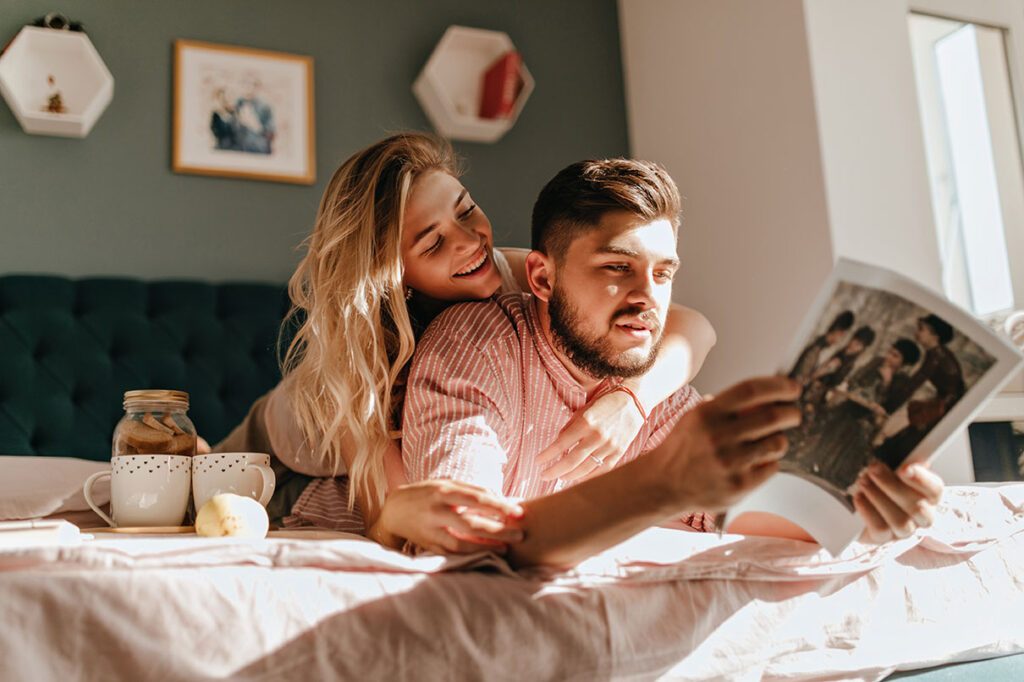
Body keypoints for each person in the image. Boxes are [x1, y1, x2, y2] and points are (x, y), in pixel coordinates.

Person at [401, 158, 945, 568]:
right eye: (618, 267)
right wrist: (666, 481)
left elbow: (738, 517)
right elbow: (463, 538)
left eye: (663, 274)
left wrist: (854, 515)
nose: (648, 298)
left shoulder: (655, 390)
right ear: (541, 278)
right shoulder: (477, 340)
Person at [212, 132, 718, 554]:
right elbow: (395, 516)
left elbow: (694, 327)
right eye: (431, 242)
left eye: (466, 209)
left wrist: (632, 400)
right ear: (393, 277)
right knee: (189, 496)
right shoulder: (359, 360)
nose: (468, 240)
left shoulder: (506, 270)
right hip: (279, 458)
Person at [807, 338, 922, 494]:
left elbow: (888, 406)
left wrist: (886, 381)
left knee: (855, 433)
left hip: (868, 417)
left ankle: (835, 475)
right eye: (890, 352)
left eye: (895, 356)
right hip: (851, 405)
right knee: (835, 424)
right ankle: (817, 465)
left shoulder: (902, 380)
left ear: (903, 363)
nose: (889, 357)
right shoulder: (876, 362)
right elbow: (856, 380)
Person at [876, 314, 966, 468]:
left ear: (934, 335)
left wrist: (886, 407)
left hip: (946, 407)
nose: (917, 332)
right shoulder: (935, 353)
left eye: (921, 329)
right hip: (942, 404)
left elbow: (914, 384)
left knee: (908, 441)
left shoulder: (937, 356)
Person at [789, 310, 855, 383]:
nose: (839, 341)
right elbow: (798, 381)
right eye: (842, 337)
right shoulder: (815, 349)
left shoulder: (820, 346)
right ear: (840, 333)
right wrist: (824, 370)